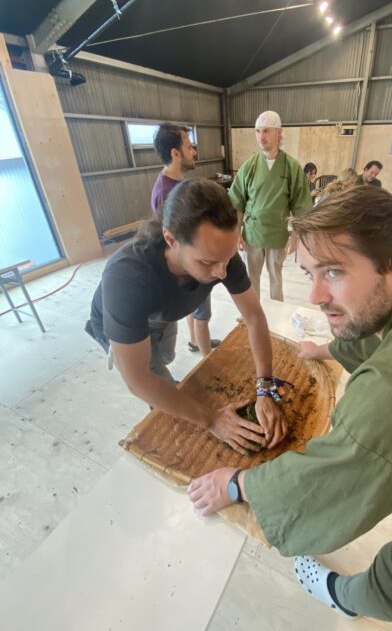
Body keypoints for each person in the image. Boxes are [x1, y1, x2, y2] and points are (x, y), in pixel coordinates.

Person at [188, 186, 392, 630]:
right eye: (310, 273)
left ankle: (341, 597)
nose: (315, 295)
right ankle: (343, 596)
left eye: (334, 272)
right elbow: (389, 332)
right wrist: (325, 349)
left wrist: (237, 483)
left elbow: (327, 480)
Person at [86, 178, 287, 453]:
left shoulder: (219, 255)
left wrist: (264, 387)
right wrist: (212, 420)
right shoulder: (127, 278)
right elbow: (138, 380)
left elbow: (253, 316)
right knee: (158, 384)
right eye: (207, 262)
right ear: (171, 240)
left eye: (227, 258)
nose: (222, 273)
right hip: (122, 323)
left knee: (165, 357)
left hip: (163, 313)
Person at [151, 123, 220, 357]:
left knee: (195, 310)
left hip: (189, 264)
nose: (194, 152)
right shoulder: (167, 193)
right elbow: (177, 241)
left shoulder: (175, 185)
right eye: (190, 147)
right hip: (189, 266)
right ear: (175, 153)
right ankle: (207, 359)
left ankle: (194, 341)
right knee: (203, 316)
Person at [229, 111, 312, 301]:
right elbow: (237, 201)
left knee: (276, 277)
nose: (261, 136)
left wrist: (295, 237)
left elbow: (301, 205)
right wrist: (237, 231)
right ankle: (253, 312)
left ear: (278, 132)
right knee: (251, 278)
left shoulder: (291, 167)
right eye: (257, 131)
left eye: (266, 131)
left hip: (277, 233)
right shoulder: (249, 166)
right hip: (253, 232)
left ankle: (278, 312)